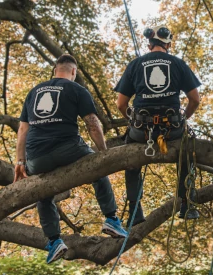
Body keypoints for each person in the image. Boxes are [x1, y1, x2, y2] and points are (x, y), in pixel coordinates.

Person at [14, 54, 128, 264]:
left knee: (43, 191)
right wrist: (103, 154)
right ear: (73, 72)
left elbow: (22, 130)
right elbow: (92, 123)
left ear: (55, 71)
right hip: (69, 149)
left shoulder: (34, 92)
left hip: (36, 158)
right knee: (97, 169)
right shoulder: (76, 89)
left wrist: (20, 163)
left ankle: (54, 240)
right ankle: (111, 218)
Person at [115, 26, 201, 225]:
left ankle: (135, 211)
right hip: (172, 129)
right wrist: (183, 118)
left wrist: (133, 120)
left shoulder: (135, 64)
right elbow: (195, 100)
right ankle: (187, 204)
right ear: (168, 45)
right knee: (187, 151)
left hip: (141, 131)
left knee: (131, 159)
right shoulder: (178, 63)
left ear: (149, 45)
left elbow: (120, 104)